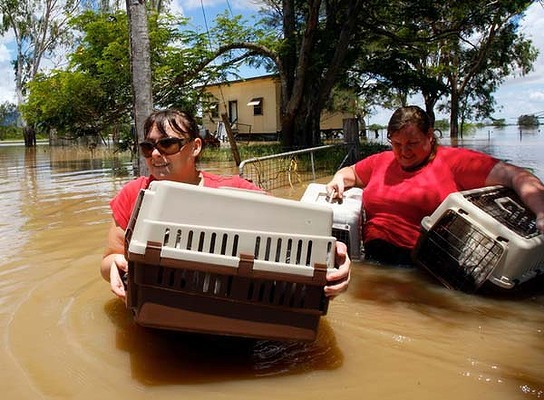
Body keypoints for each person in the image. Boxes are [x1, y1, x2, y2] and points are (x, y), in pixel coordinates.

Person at [101, 109, 350, 301]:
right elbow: (109, 258)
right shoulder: (133, 193)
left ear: (195, 147)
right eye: (148, 147)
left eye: (167, 144)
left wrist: (334, 253)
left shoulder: (235, 190)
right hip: (157, 303)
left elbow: (301, 228)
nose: (156, 155)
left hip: (227, 302)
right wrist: (114, 265)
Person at [326, 105, 544, 265]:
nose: (404, 152)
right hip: (370, 259)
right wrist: (338, 179)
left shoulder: (455, 162)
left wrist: (541, 212)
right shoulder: (381, 161)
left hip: (421, 265)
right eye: (397, 144)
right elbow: (351, 172)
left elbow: (518, 176)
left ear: (429, 136)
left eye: (412, 143)